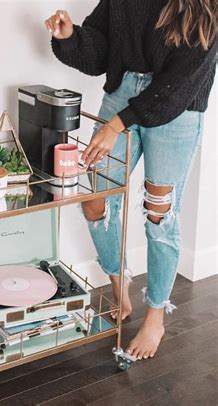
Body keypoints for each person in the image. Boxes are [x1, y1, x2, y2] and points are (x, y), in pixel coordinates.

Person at [45, 0, 216, 360]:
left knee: (160, 215)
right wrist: (71, 36)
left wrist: (116, 124)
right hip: (123, 93)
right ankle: (119, 280)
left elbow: (182, 81)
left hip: (177, 109)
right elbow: (99, 51)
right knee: (95, 200)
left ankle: (156, 315)